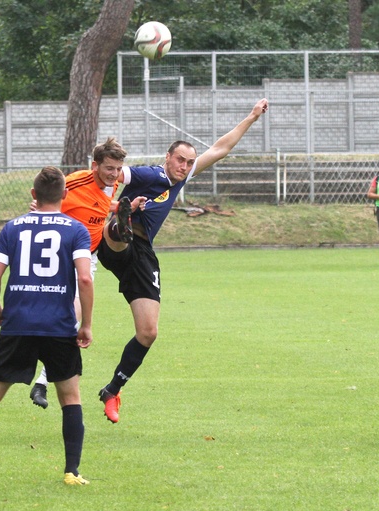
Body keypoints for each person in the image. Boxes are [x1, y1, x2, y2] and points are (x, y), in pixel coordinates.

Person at [95, 98, 269, 424]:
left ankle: (113, 389)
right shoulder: (148, 174)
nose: (185, 166)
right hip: (113, 242)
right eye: (180, 160)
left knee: (148, 332)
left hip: (143, 255)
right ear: (168, 157)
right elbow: (111, 175)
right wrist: (106, 205)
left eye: (189, 162)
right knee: (121, 234)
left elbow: (220, 149)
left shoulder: (183, 178)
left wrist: (251, 117)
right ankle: (122, 220)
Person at [0, 166, 94, 485]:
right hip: (59, 324)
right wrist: (87, 324)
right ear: (65, 195)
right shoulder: (76, 229)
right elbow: (84, 277)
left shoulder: (12, 229)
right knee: (70, 397)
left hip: (17, 323)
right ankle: (71, 471)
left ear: (33, 195)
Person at [28, 137, 128, 409]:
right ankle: (38, 371)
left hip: (87, 256)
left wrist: (119, 208)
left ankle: (42, 381)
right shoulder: (73, 183)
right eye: (109, 168)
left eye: (118, 169)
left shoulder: (113, 184)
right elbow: (44, 198)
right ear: (94, 166)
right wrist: (39, 211)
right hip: (59, 253)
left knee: (72, 317)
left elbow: (101, 205)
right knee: (50, 316)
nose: (114, 174)